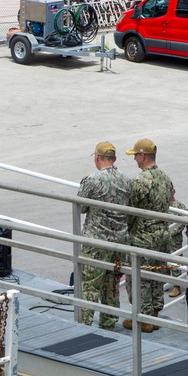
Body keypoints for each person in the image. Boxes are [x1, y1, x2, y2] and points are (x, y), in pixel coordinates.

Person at [76, 142, 131, 331]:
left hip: (96, 242)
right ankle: (108, 324)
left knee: (90, 285)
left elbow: (81, 207)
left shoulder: (92, 180)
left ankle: (84, 325)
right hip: (119, 242)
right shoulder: (126, 180)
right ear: (114, 159)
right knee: (111, 284)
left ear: (97, 158)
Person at [125, 139, 174, 331]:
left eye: (136, 155)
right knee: (156, 274)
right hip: (162, 234)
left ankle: (144, 318)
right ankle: (154, 314)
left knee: (140, 277)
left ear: (143, 156)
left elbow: (130, 210)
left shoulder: (140, 181)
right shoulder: (165, 178)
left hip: (143, 236)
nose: (135, 159)